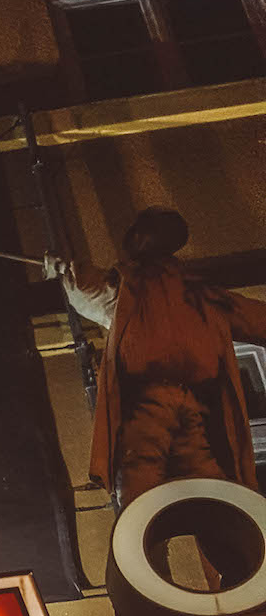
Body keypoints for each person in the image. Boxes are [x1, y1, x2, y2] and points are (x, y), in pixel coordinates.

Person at [47, 207, 266, 507]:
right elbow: (256, 318)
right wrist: (66, 272)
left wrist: (66, 273)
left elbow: (88, 291)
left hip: (170, 405)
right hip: (180, 405)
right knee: (202, 497)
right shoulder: (192, 292)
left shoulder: (134, 286)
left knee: (150, 501)